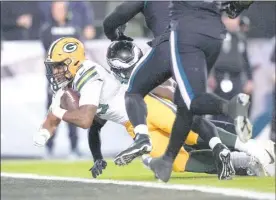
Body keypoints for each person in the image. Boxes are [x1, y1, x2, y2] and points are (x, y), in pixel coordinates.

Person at [33, 39, 275, 178]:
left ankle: (256, 147)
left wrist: (59, 113)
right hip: (132, 125)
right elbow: (91, 127)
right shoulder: (70, 89)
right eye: (53, 67)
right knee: (177, 162)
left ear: (73, 62)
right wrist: (45, 132)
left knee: (192, 134)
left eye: (58, 66)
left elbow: (84, 119)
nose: (55, 72)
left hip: (146, 107)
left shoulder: (89, 75)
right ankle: (244, 165)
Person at [103, 1, 253, 181]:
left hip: (176, 41)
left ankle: (142, 137)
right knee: (187, 106)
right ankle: (212, 148)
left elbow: (114, 18)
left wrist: (114, 35)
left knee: (134, 91)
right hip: (212, 39)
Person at [40, 1, 82, 158]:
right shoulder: (46, 29)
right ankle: (49, 148)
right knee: (52, 114)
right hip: (54, 81)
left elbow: (78, 53)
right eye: (56, 9)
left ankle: (74, 148)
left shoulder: (74, 28)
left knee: (73, 114)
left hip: (71, 80)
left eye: (61, 9)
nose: (59, 12)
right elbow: (47, 54)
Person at [208, 15, 253, 124]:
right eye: (230, 19)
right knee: (218, 107)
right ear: (224, 20)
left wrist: (250, 80)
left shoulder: (241, 38)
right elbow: (210, 56)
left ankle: (232, 133)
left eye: (235, 19)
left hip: (236, 78)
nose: (233, 22)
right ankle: (216, 131)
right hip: (219, 77)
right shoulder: (217, 36)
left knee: (236, 108)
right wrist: (210, 75)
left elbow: (246, 61)